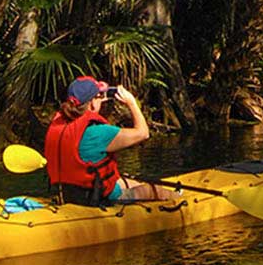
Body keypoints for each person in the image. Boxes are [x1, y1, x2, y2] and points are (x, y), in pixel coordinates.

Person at [44, 76, 179, 205]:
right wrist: (131, 102)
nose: (103, 100)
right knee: (151, 190)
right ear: (91, 104)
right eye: (99, 97)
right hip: (95, 198)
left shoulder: (58, 125)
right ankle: (183, 200)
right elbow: (143, 134)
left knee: (130, 182)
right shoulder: (98, 132)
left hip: (65, 194)